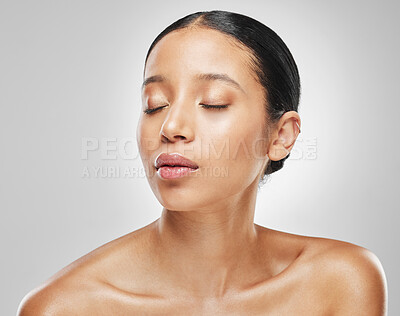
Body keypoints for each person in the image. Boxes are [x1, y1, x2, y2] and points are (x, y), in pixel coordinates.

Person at [18, 10, 387, 315]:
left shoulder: (341, 283)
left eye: (213, 102)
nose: (171, 126)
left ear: (281, 137)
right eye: (154, 104)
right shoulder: (65, 307)